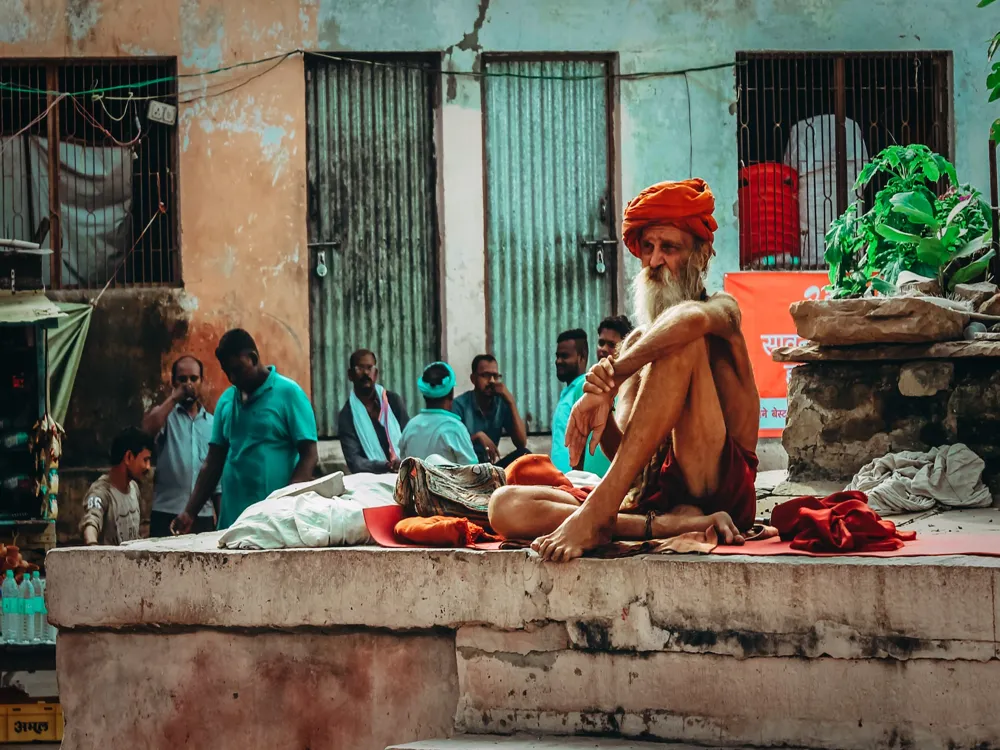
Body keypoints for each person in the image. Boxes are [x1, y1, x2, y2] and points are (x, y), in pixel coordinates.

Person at [489, 178, 760, 561]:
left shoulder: (722, 311)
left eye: (669, 248)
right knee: (504, 504)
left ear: (701, 255)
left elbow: (687, 321)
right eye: (648, 248)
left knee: (681, 338)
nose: (654, 261)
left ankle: (599, 514)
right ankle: (662, 525)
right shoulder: (634, 346)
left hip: (715, 486)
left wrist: (611, 377)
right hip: (658, 504)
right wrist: (605, 410)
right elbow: (633, 459)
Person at [172, 329, 319, 533]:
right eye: (227, 372)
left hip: (275, 524)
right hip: (233, 524)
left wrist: (286, 502)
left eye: (238, 370)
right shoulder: (226, 401)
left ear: (253, 358)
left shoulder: (289, 394)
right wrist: (190, 512)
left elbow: (309, 455)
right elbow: (213, 462)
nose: (232, 378)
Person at [141, 356, 219, 537]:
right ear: (173, 383)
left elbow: (217, 476)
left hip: (203, 516)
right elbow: (146, 432)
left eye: (193, 379)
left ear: (202, 382)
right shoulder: (165, 417)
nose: (188, 384)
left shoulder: (213, 424)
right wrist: (174, 398)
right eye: (182, 380)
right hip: (166, 514)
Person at [549, 330, 610, 477]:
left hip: (575, 481)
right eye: (557, 356)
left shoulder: (588, 390)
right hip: (563, 482)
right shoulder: (569, 393)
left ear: (582, 357)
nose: (558, 361)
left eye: (565, 356)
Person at [337, 349, 409, 474]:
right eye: (359, 368)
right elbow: (355, 462)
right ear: (350, 375)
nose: (365, 373)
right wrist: (386, 466)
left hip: (404, 474)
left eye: (369, 368)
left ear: (376, 373)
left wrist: (403, 462)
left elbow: (409, 439)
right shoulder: (347, 415)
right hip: (370, 483)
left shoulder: (392, 401)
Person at [452, 354, 529, 467]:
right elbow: (451, 446)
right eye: (485, 375)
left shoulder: (501, 403)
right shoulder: (459, 405)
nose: (492, 381)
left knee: (525, 455)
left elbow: (521, 443)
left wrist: (511, 402)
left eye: (495, 376)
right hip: (464, 470)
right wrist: (477, 437)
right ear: (473, 379)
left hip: (489, 469)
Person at [80, 427, 153, 546]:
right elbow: (91, 521)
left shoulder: (134, 488)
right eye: (145, 460)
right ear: (129, 457)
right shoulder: (101, 492)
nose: (148, 467)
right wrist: (92, 545)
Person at [400, 362, 478, 465]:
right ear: (451, 394)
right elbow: (473, 472)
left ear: (424, 395)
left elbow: (403, 463)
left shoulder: (410, 427)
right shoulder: (454, 429)